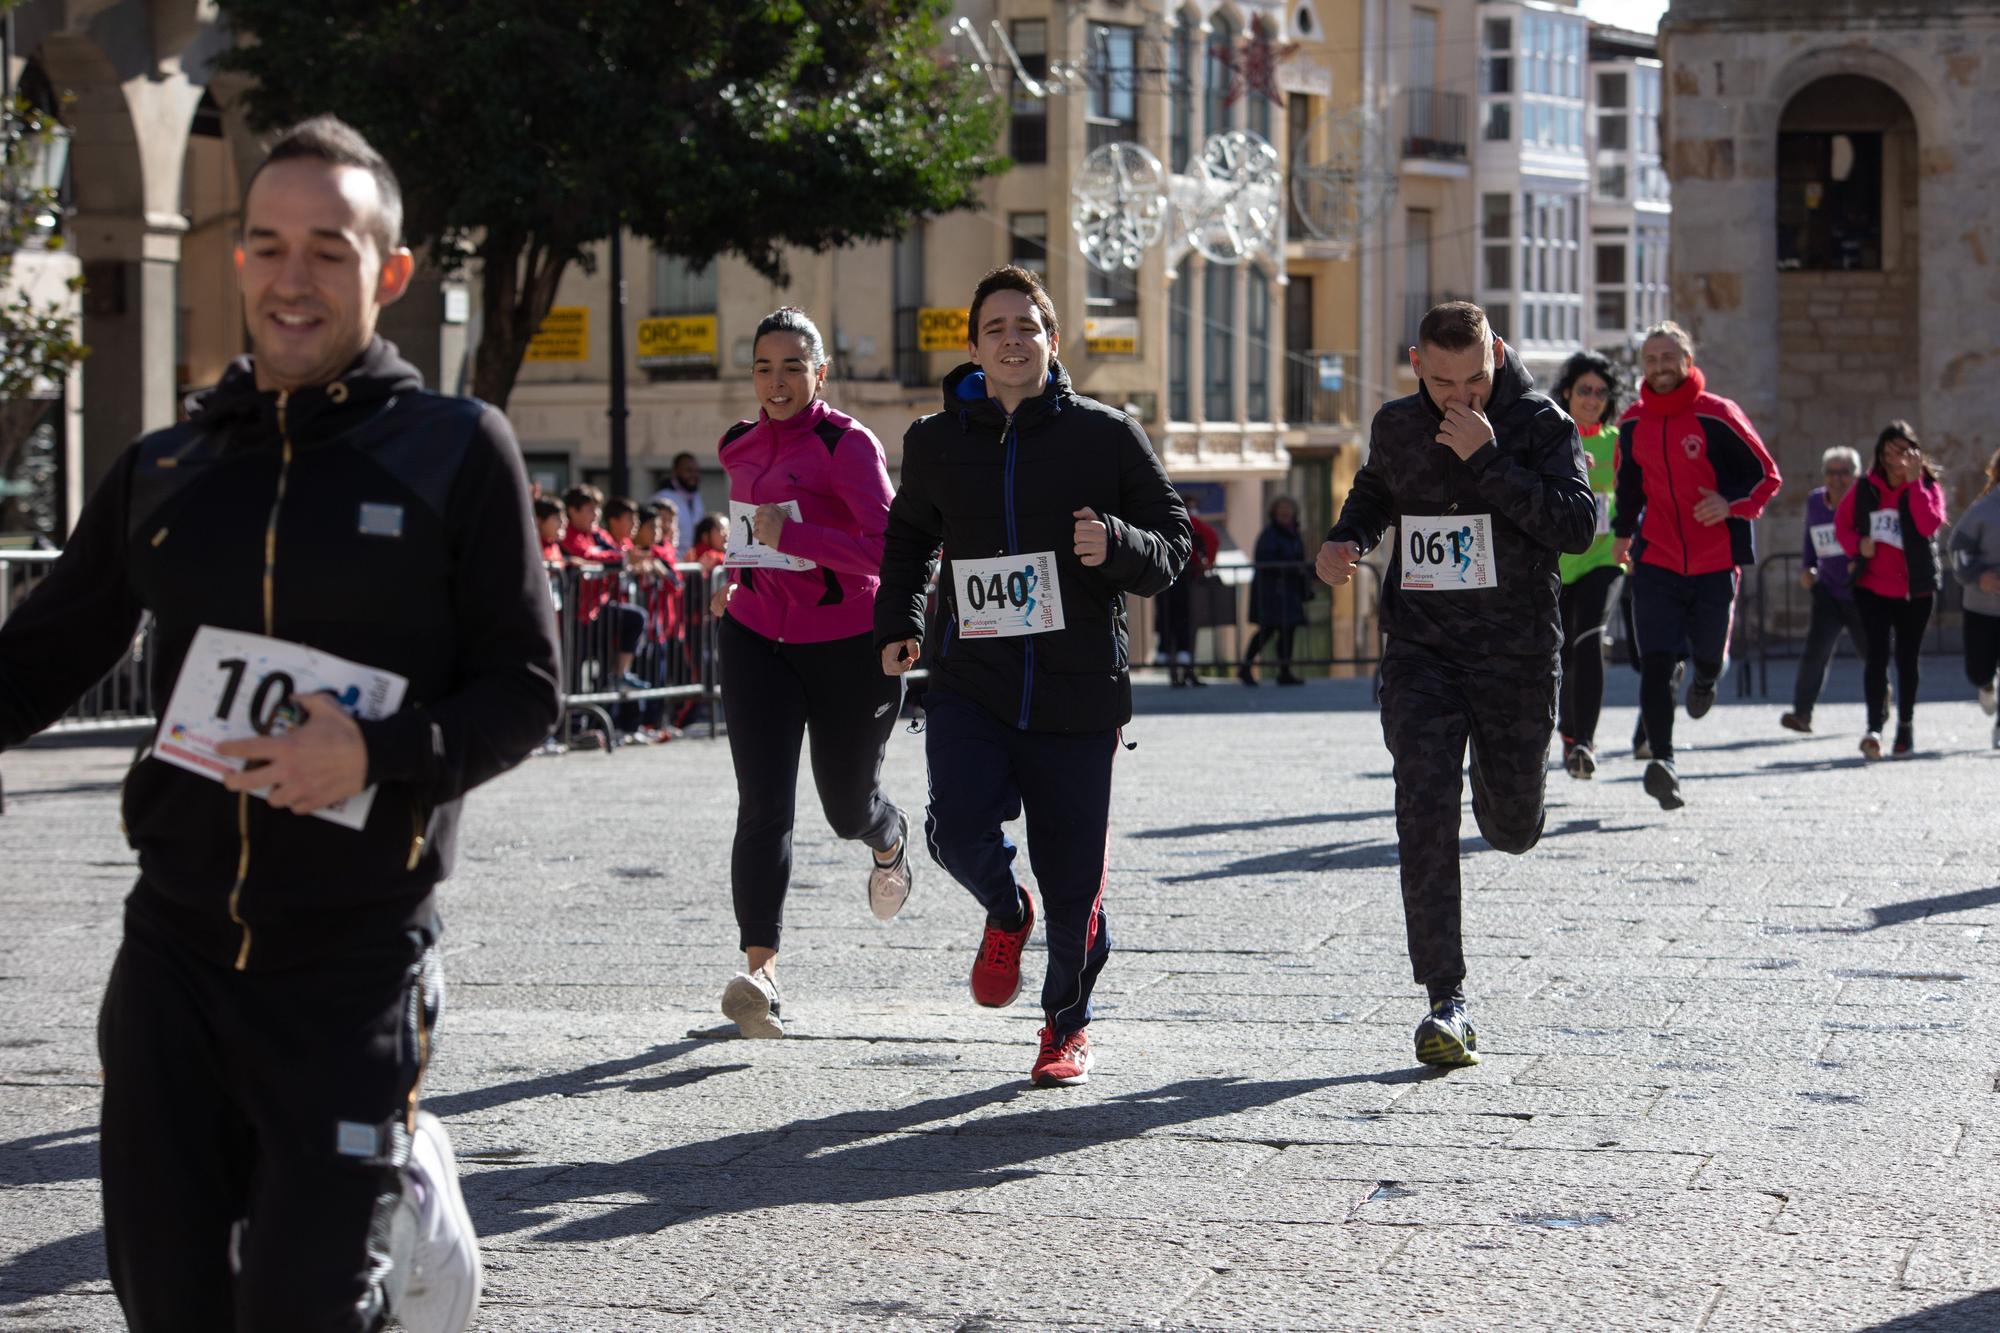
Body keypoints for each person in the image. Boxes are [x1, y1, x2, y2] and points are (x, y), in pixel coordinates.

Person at [0, 115, 558, 1333]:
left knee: (301, 1312)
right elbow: (35, 659)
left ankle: (405, 1183)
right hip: (175, 963)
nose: (291, 278)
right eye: (265, 246)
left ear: (389, 272)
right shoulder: (169, 466)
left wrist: (376, 750)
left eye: (329, 248)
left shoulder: (456, 452)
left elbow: (525, 689)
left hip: (353, 962)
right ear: (235, 260)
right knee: (173, 1308)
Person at [877, 265, 1190, 1087]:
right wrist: (901, 624)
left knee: (1074, 877)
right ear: (975, 345)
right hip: (971, 678)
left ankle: (1065, 1024)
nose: (1012, 340)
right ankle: (1006, 911)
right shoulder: (934, 441)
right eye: (996, 328)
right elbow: (908, 541)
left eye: (1027, 326)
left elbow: (1175, 543)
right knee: (954, 828)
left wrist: (1117, 543)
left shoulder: (1106, 434)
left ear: (1053, 339)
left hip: (1076, 687)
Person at [1317, 300, 1593, 1067]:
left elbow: (1577, 526)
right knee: (1424, 803)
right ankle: (1446, 997)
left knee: (1507, 825)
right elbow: (1376, 493)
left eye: (1475, 378)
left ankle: (1518, 805)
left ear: (1496, 355)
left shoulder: (1540, 424)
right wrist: (1347, 538)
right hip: (1422, 651)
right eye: (1443, 383)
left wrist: (1489, 457)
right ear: (1417, 365)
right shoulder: (1397, 424)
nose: (1460, 396)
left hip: (1514, 656)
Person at [708, 307, 913, 1038]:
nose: (777, 380)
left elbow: (893, 554)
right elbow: (749, 540)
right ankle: (761, 974)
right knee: (762, 805)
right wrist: (732, 575)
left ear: (819, 373)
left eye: (793, 365)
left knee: (844, 806)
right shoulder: (736, 445)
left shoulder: (847, 443)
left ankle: (888, 837)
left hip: (846, 646)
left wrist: (793, 534)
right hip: (757, 637)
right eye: (764, 366)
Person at [1612, 320, 1781, 810]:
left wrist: (1730, 504)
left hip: (1714, 560)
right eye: (1651, 359)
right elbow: (1628, 489)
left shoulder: (1718, 415)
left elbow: (1766, 476)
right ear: (1643, 366)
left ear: (1687, 363)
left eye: (1669, 358)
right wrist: (1623, 537)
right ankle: (1662, 761)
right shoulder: (1632, 423)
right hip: (1658, 558)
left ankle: (1707, 676)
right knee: (1656, 662)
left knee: (1706, 654)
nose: (1660, 368)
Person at [1836, 421, 1947, 759]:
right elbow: (1842, 525)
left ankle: (1906, 725)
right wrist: (1859, 544)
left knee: (1907, 659)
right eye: (1887, 454)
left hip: (1915, 590)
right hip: (1873, 586)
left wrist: (1914, 486)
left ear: (1914, 454)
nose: (1894, 461)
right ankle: (1873, 727)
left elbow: (1928, 525)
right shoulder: (1866, 488)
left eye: (1901, 453)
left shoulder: (1928, 487)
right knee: (1876, 658)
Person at [1550, 352, 1625, 779]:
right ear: (1567, 393)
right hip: (1558, 562)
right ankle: (1568, 730)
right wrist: (1569, 466)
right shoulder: (1551, 437)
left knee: (1591, 638)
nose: (1592, 399)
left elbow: (1635, 493)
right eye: (1584, 391)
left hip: (1605, 557)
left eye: (1600, 392)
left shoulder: (1617, 442)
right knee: (1562, 652)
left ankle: (1584, 742)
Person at [1779, 446, 1867, 734]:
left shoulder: (1865, 501)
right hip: (1827, 589)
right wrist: (1808, 567)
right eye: (1831, 473)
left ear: (1855, 476)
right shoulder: (1816, 501)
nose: (1837, 479)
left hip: (1860, 591)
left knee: (1871, 654)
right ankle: (1802, 714)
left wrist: (1862, 563)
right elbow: (1811, 536)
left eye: (1843, 473)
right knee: (1815, 653)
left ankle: (1881, 702)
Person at [1950, 447, 2000, 748]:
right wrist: (1979, 575)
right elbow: (1957, 549)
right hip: (1982, 607)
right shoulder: (1984, 510)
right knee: (1978, 669)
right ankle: (1986, 686)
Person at [1239, 494, 1312, 686]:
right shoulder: (1270, 534)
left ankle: (1284, 671)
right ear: (1275, 513)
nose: (1285, 515)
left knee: (1288, 632)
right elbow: (1266, 560)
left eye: (1288, 512)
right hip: (1272, 592)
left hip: (1289, 592)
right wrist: (1291, 568)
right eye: (1281, 513)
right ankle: (1245, 667)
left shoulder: (1294, 533)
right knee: (1267, 631)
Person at [1156, 494, 1220, 686]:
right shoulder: (1192, 522)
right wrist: (1208, 562)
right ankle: (1185, 670)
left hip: (1166, 578)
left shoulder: (1165, 521)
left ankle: (1176, 671)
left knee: (1169, 623)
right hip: (1187, 580)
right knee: (1185, 624)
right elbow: (1212, 538)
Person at [650, 451, 707, 556]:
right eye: (688, 470)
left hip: (691, 561)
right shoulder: (662, 497)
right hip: (670, 558)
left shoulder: (696, 497)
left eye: (696, 471)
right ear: (675, 471)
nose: (693, 475)